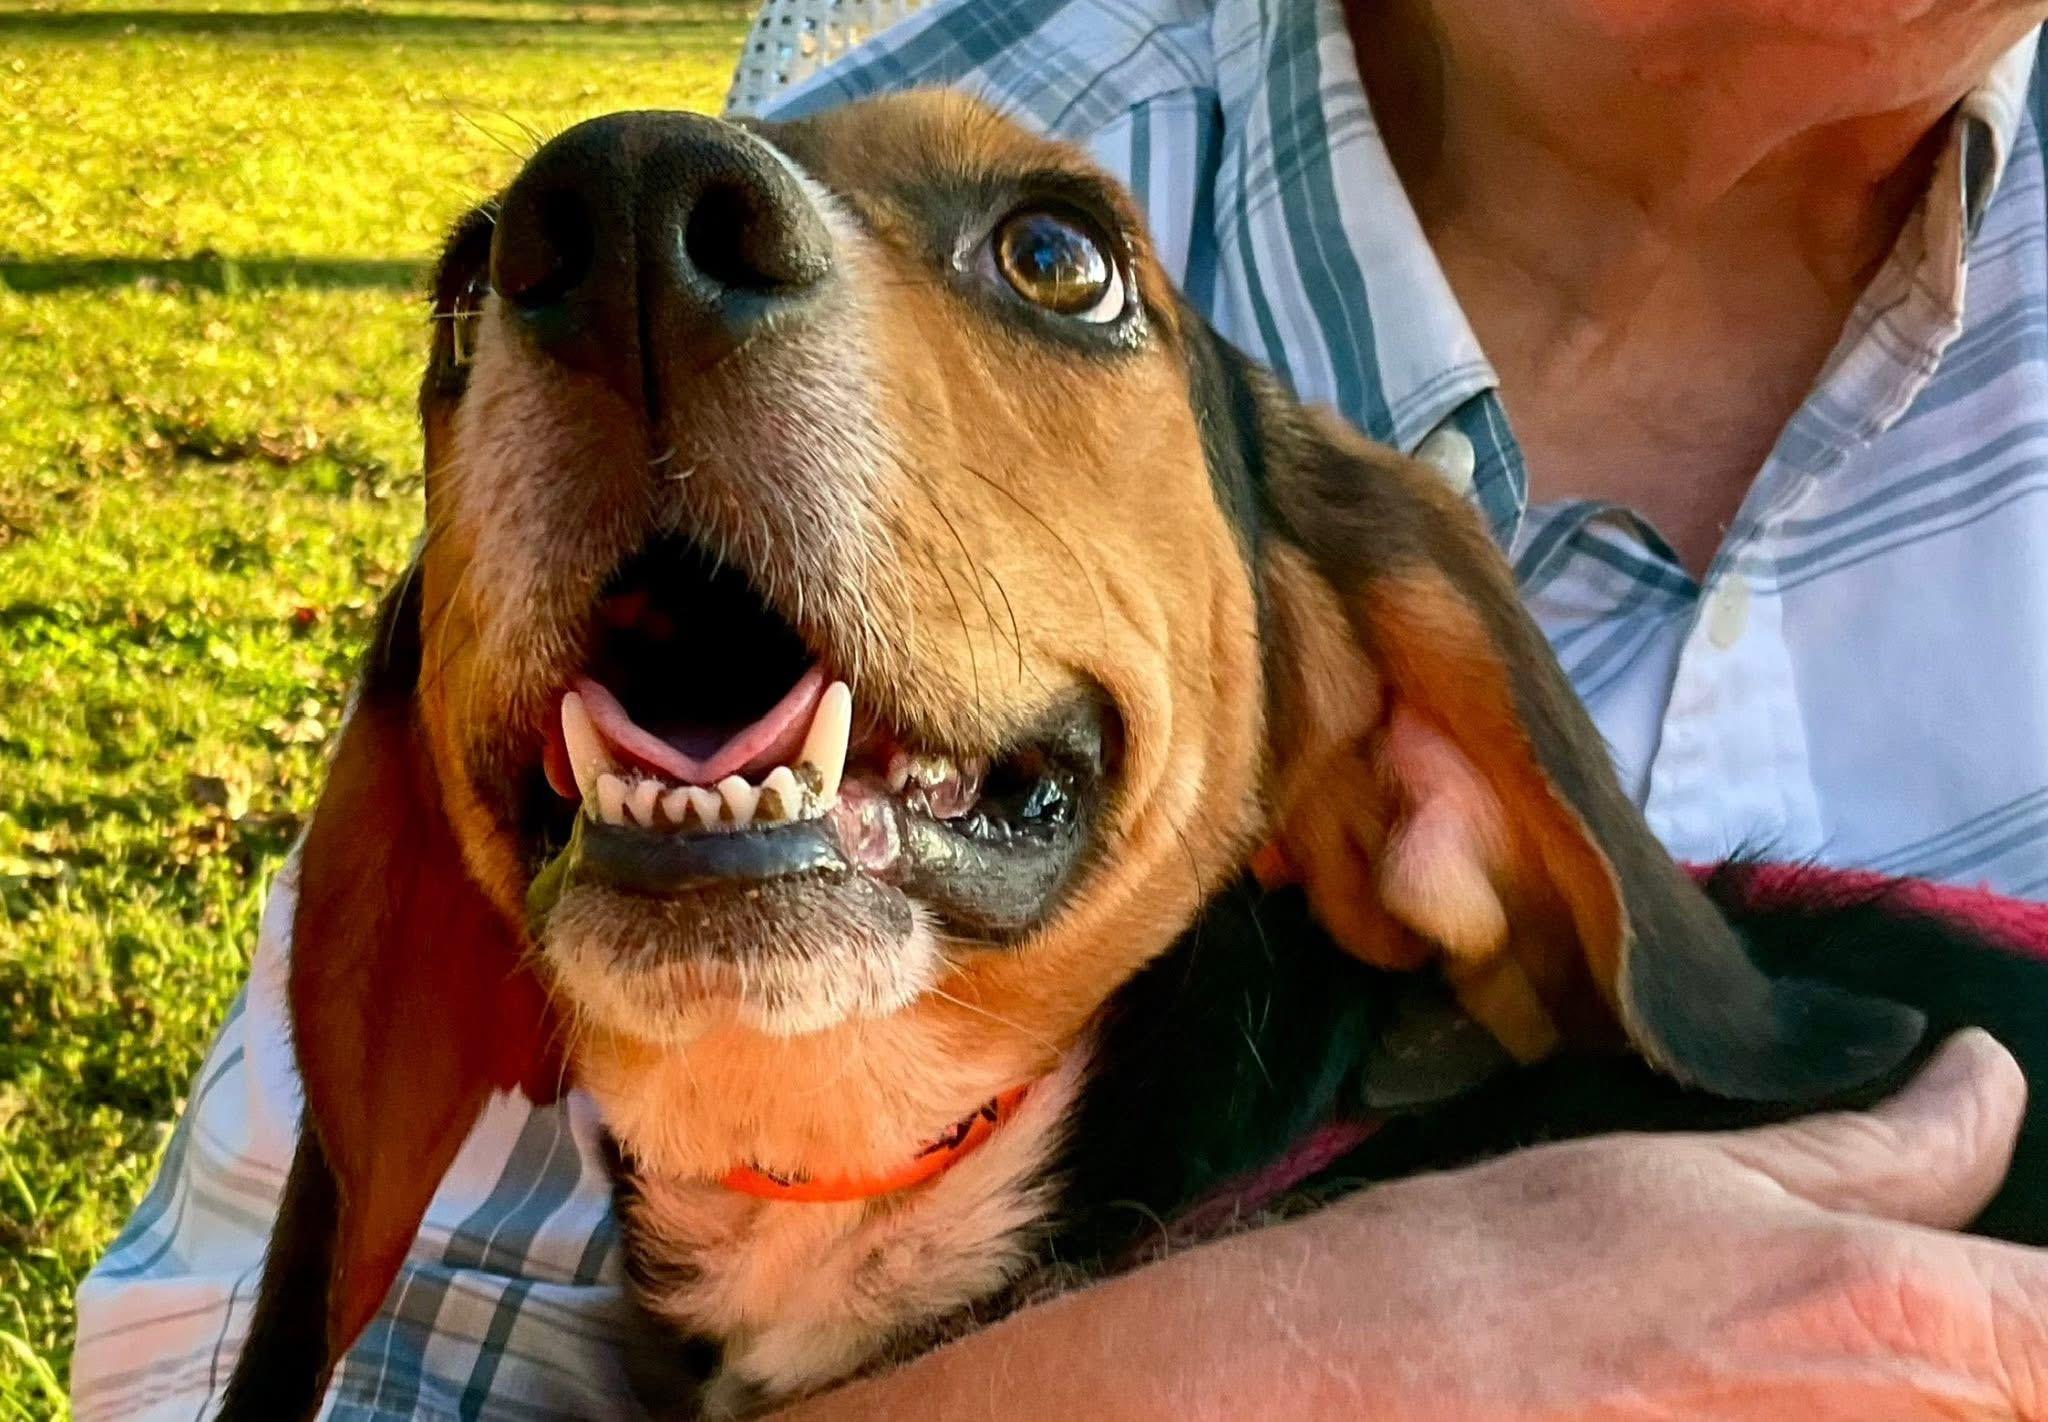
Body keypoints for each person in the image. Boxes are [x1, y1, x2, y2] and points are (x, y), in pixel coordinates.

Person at [72, 0, 2048, 1417]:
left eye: (1048, 267)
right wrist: (1229, 1378)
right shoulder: (948, 83)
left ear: (1387, 763)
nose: (652, 257)